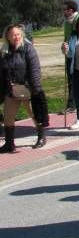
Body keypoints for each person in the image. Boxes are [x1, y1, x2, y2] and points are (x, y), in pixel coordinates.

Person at [0, 24, 49, 152]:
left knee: (35, 114)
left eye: (18, 34)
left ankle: (41, 137)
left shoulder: (28, 48)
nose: (16, 37)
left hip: (29, 88)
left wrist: (35, 89)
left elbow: (35, 69)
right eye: (12, 35)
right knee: (8, 117)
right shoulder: (4, 51)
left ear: (21, 35)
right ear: (7, 37)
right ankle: (9, 144)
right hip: (12, 90)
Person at [61, 0, 79, 110]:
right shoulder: (67, 22)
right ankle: (72, 104)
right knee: (71, 80)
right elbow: (66, 38)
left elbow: (75, 37)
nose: (64, 12)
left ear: (71, 10)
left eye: (65, 9)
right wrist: (63, 47)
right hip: (69, 54)